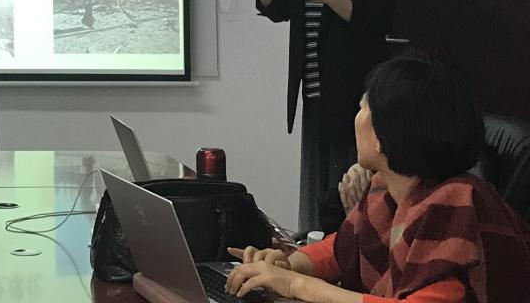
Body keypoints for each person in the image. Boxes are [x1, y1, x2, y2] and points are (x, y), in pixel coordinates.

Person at [225, 54, 530, 302]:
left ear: (385, 133)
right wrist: (286, 265)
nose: (356, 117)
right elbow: (341, 250)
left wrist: (296, 285)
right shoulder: (386, 189)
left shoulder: (455, 204)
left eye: (363, 107)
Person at [238, 0, 397, 232]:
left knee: (352, 184)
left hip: (355, 92)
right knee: (316, 185)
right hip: (314, 91)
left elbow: (377, 21)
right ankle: (316, 247)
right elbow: (282, 10)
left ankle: (351, 249)